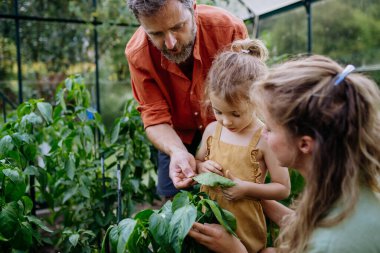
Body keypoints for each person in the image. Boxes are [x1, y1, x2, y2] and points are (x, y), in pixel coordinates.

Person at [188, 55, 380, 253]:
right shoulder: (349, 193)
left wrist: (237, 251)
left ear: (305, 144)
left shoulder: (332, 245)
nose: (261, 132)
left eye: (269, 128)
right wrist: (255, 196)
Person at [125, 0, 248, 198]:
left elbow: (245, 97)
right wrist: (177, 152)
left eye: (178, 27)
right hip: (176, 135)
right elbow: (154, 117)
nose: (170, 43)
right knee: (174, 199)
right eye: (156, 34)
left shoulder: (228, 29)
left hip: (226, 127)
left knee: (231, 197)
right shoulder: (138, 54)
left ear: (192, 7)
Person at [195, 38, 290, 253]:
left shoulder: (265, 138)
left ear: (257, 102)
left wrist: (245, 189)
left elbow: (283, 188)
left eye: (235, 114)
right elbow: (199, 161)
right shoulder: (212, 131)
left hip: (245, 224)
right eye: (218, 112)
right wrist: (202, 168)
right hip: (210, 217)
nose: (226, 121)